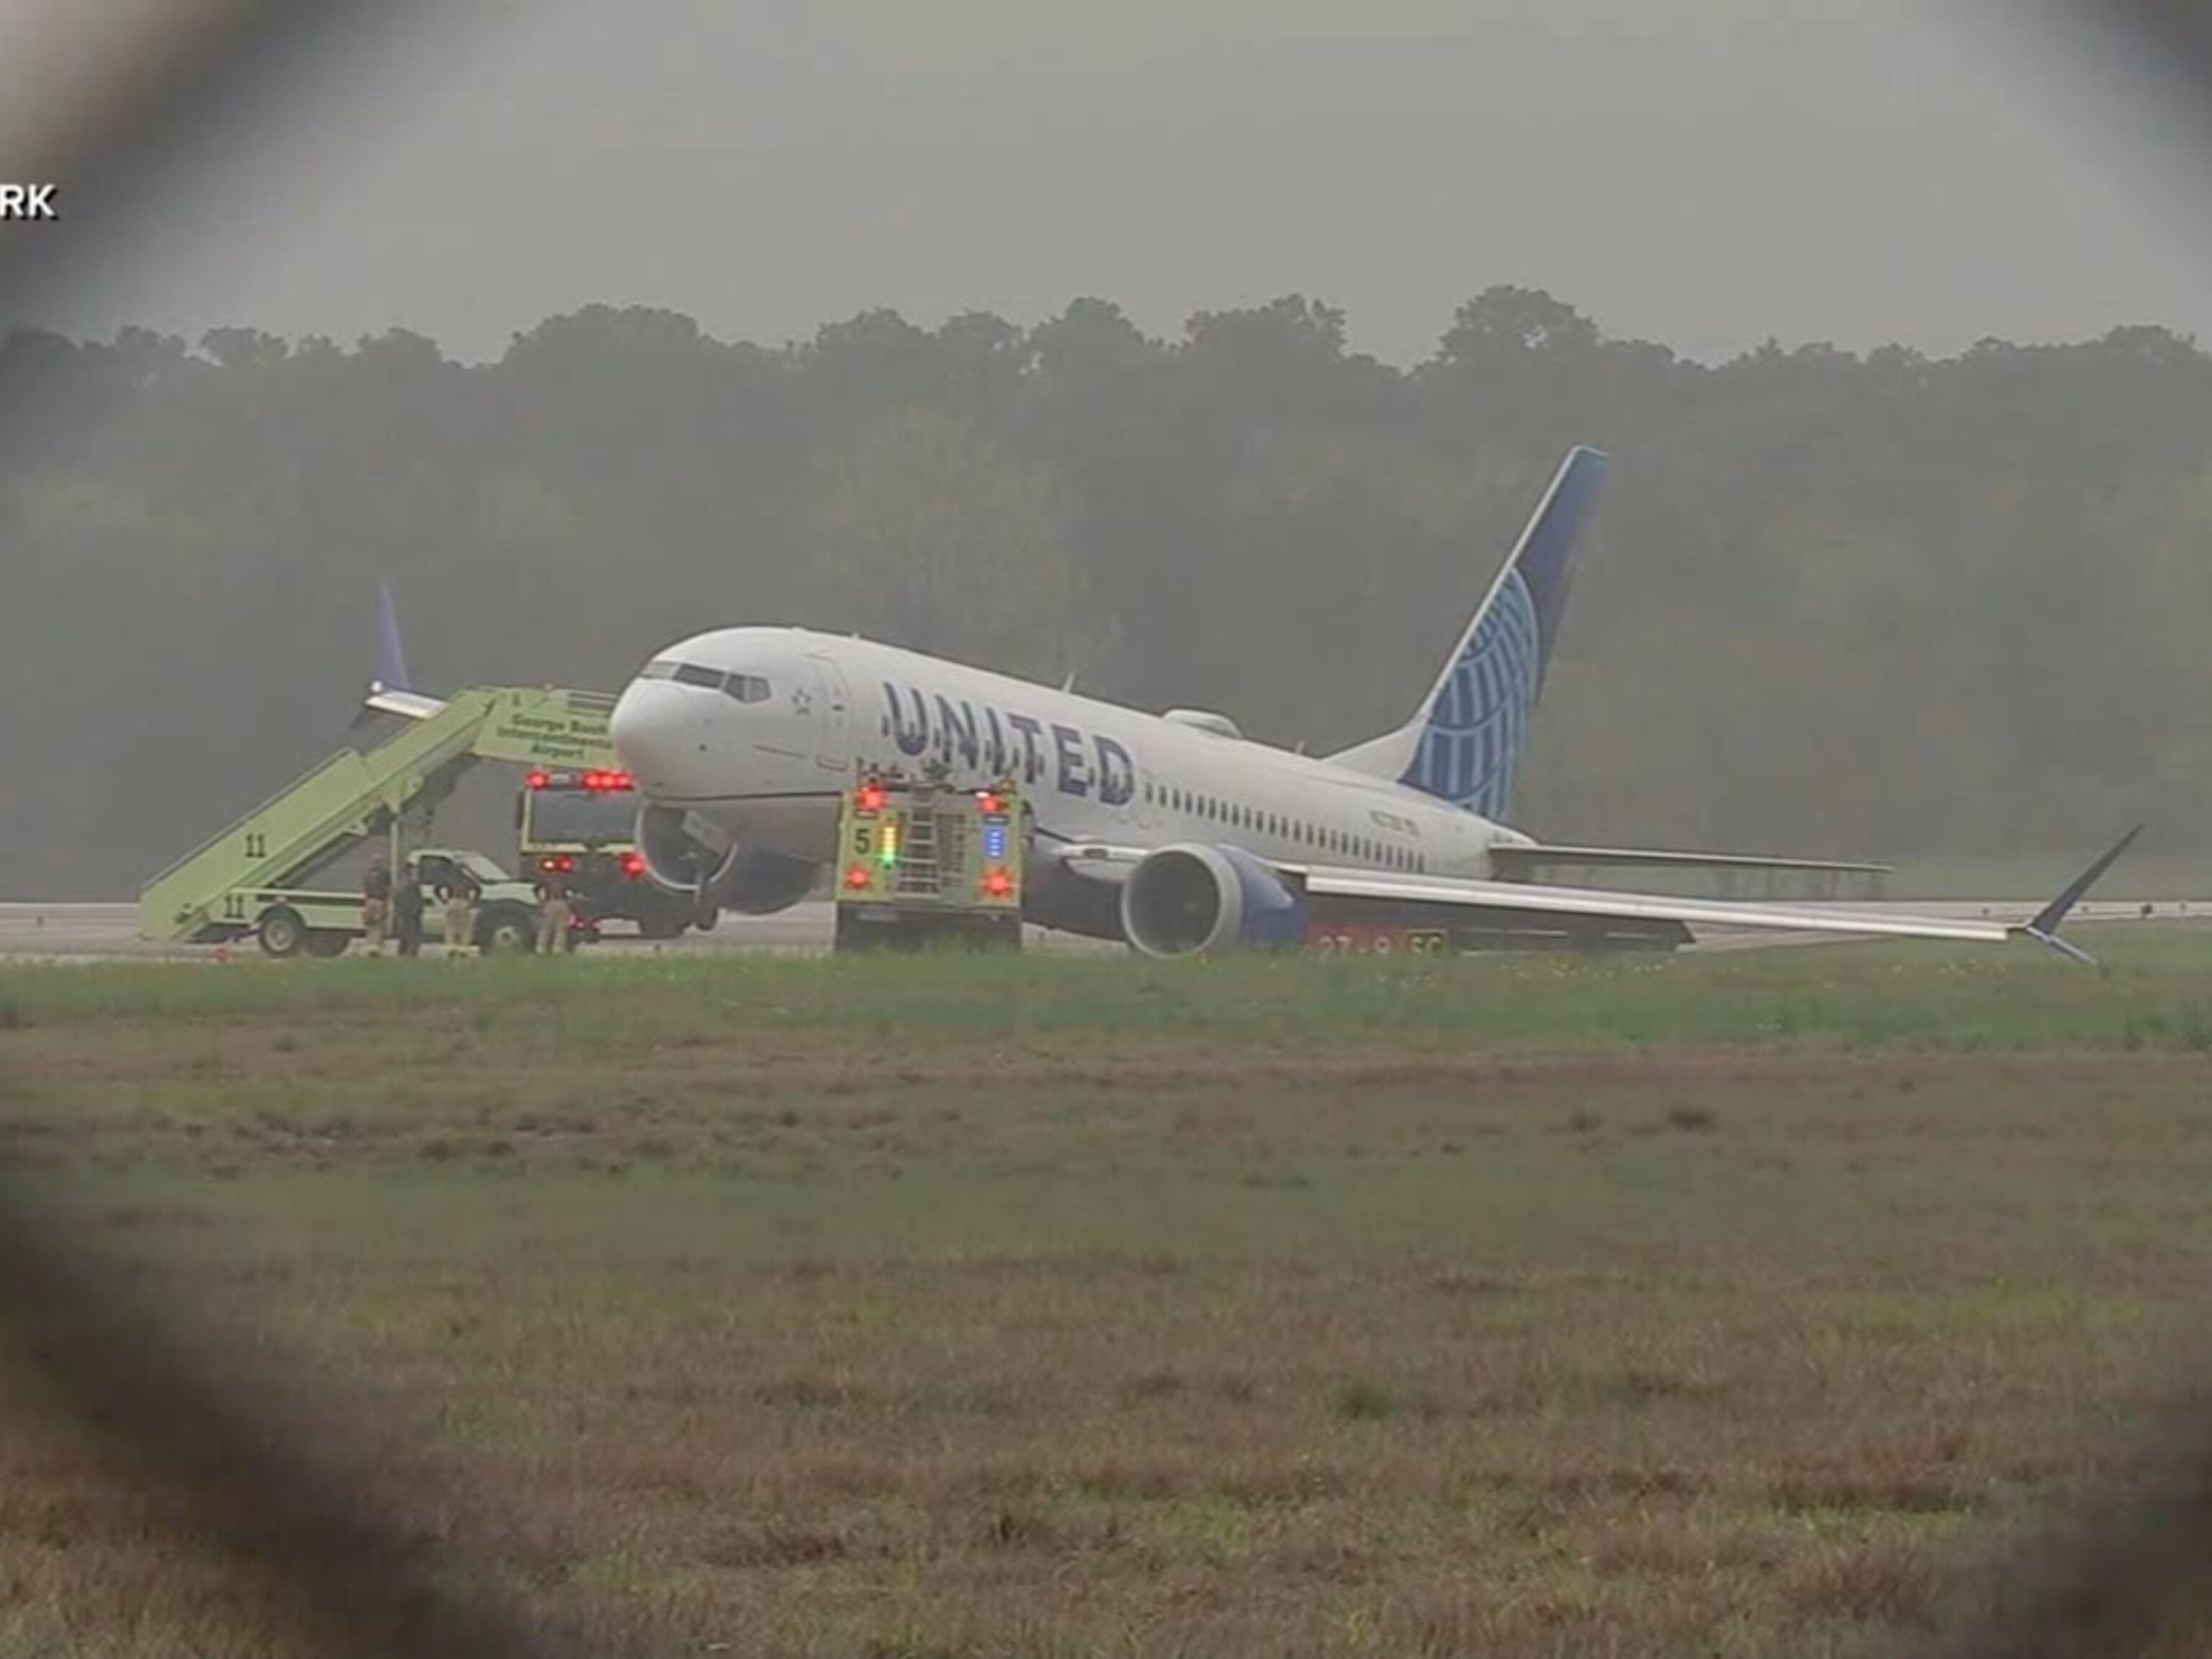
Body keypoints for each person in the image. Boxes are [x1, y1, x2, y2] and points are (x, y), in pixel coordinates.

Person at [534, 866, 572, 955]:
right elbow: (572, 892)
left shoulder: (547, 880)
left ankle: (542, 947)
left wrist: (540, 901)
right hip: (560, 903)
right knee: (559, 928)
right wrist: (570, 901)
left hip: (552, 903)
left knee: (547, 927)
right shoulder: (566, 880)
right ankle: (557, 948)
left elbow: (536, 889)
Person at [392, 865, 426, 958]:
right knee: (412, 933)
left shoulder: (398, 885)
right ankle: (411, 951)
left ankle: (402, 951)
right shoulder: (413, 884)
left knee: (403, 932)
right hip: (412, 912)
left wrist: (397, 911)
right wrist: (419, 909)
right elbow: (419, 898)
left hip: (403, 912)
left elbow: (395, 899)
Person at [359, 857, 391, 956]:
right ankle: (376, 947)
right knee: (378, 925)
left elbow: (365, 889)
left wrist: (365, 903)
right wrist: (387, 904)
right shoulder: (385, 873)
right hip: (379, 901)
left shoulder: (367, 874)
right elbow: (387, 888)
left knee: (370, 924)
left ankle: (369, 946)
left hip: (370, 901)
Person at [442, 876, 477, 960]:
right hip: (455, 903)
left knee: (461, 929)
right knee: (453, 929)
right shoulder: (464, 880)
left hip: (461, 903)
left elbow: (477, 888)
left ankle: (459, 949)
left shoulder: (452, 880)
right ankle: (455, 949)